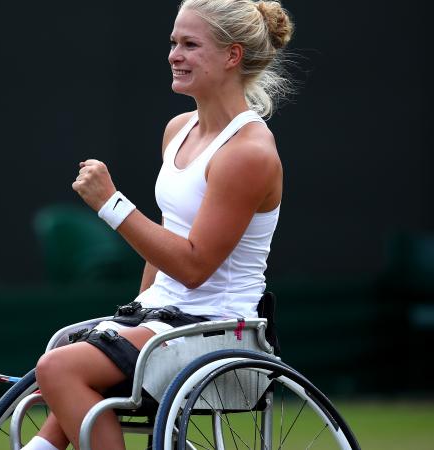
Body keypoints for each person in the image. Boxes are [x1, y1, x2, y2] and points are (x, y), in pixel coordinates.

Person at [28, 1, 294, 449]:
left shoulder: (248, 153)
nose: (174, 54)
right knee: (62, 374)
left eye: (190, 45)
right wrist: (136, 310)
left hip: (218, 331)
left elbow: (193, 266)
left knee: (58, 369)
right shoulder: (177, 129)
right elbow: (167, 242)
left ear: (232, 56)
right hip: (165, 320)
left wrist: (111, 205)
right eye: (174, 42)